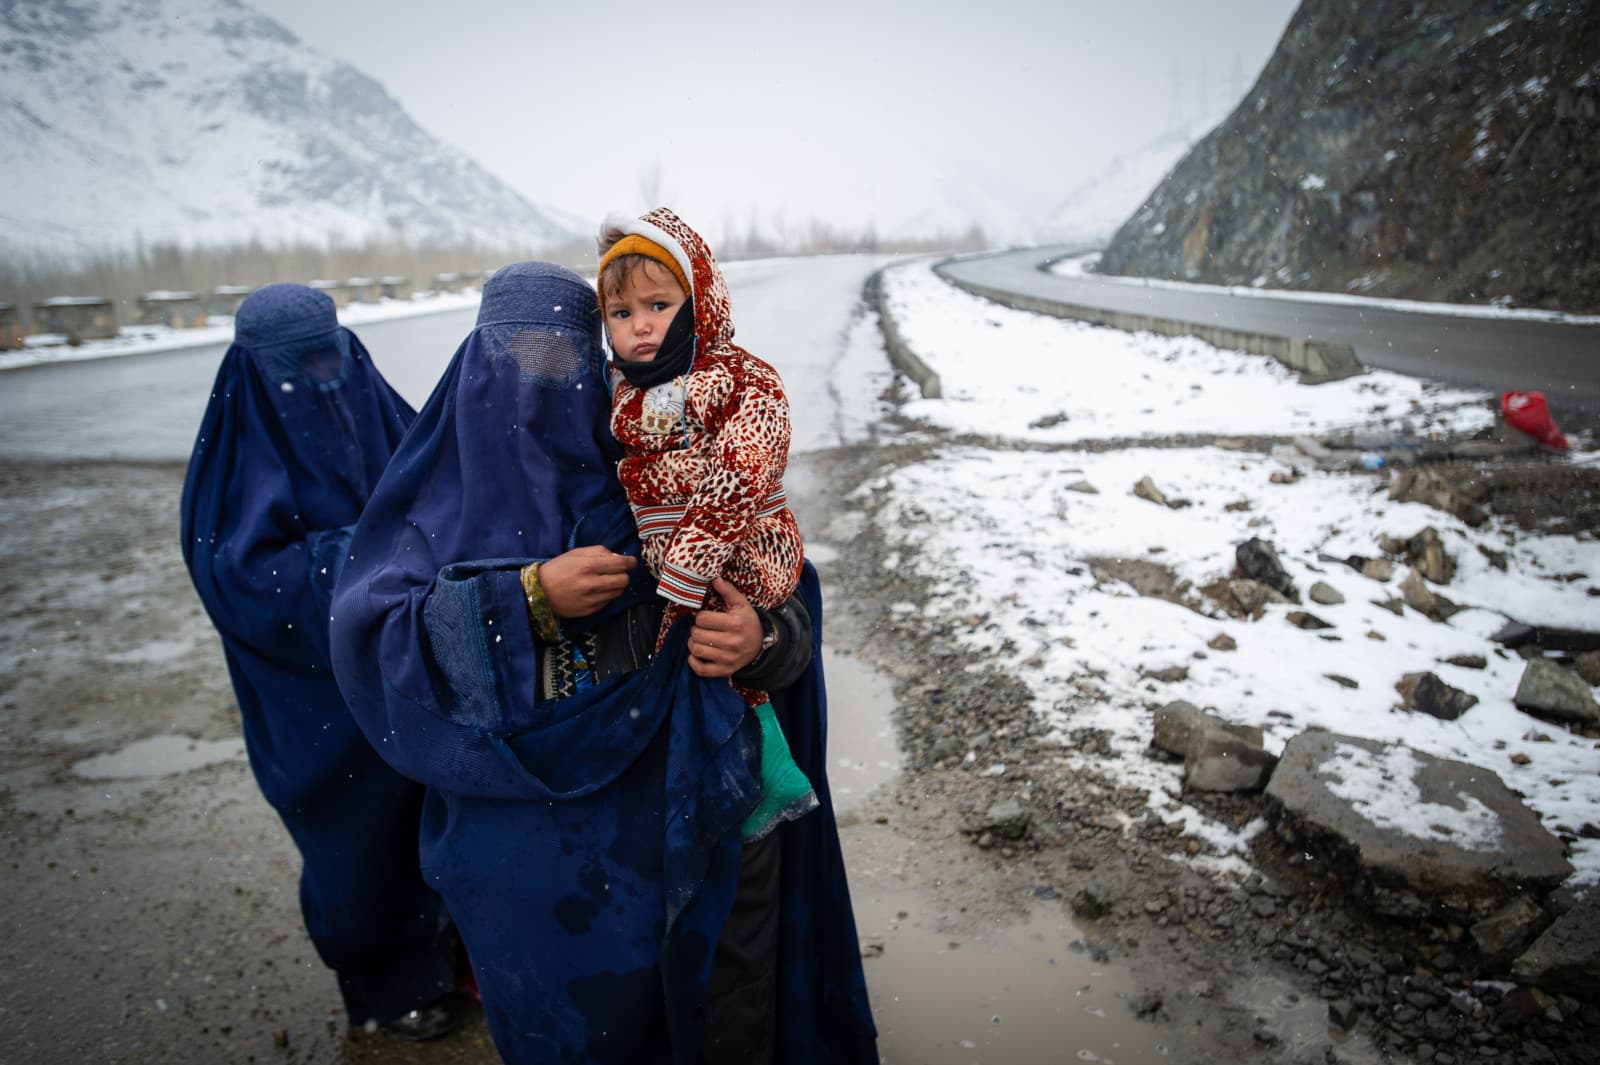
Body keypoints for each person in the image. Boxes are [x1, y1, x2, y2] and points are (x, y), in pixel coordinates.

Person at [327, 261, 878, 1064]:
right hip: (518, 852)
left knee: (700, 1007)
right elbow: (372, 641)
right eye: (516, 359)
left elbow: (782, 590)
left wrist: (761, 641)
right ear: (475, 365)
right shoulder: (433, 505)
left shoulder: (651, 472)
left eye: (565, 358)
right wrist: (524, 597)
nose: (541, 383)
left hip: (667, 825)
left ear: (599, 360)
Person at [179, 284, 460, 1039]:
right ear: (256, 371)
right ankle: (384, 984)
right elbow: (240, 577)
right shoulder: (235, 453)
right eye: (295, 369)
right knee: (357, 843)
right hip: (313, 697)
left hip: (403, 672)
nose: (321, 381)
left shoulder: (375, 406)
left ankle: (448, 949)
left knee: (436, 813)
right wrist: (365, 561)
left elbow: (442, 491)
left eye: (327, 358)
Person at [597, 207, 815, 843]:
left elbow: (742, 469)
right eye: (620, 314)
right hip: (675, 569)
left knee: (724, 669)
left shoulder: (740, 378)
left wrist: (687, 568)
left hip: (741, 554)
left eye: (659, 305)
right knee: (694, 671)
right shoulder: (620, 395)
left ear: (699, 303)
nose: (640, 327)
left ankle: (766, 780)